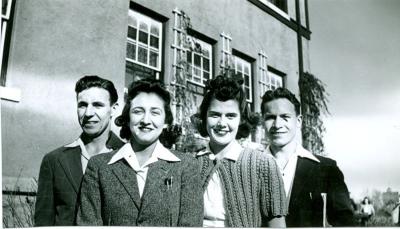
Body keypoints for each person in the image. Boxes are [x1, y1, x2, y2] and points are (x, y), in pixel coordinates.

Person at [76, 78, 203, 226]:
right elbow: (87, 226)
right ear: (127, 118)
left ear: (166, 121)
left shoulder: (186, 167)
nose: (146, 120)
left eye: (155, 112)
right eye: (138, 111)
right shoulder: (99, 166)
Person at [193, 74, 287, 227]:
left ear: (241, 119)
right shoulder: (189, 165)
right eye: (215, 115)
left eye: (230, 116)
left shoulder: (264, 165)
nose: (222, 123)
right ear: (204, 117)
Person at [34, 75, 124, 226]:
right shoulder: (54, 160)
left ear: (113, 109)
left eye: (97, 105)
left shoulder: (129, 156)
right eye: (82, 105)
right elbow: (43, 222)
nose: (88, 113)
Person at [260, 87, 355, 227]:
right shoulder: (249, 168)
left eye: (285, 117)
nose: (277, 124)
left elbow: (346, 223)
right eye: (270, 117)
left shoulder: (327, 169)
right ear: (263, 121)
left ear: (298, 121)